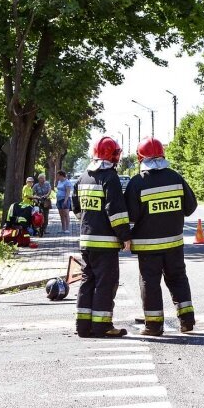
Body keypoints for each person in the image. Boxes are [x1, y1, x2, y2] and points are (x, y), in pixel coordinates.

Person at [124, 138, 198, 336]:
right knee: (178, 279)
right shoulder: (176, 177)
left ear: (141, 158)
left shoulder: (137, 182)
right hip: (174, 243)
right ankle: (187, 321)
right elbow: (190, 208)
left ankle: (154, 326)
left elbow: (130, 216)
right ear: (163, 156)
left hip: (148, 247)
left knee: (150, 283)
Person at [72, 137, 132, 338]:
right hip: (105, 243)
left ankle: (83, 326)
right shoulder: (110, 178)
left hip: (86, 241)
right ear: (113, 155)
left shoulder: (83, 177)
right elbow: (115, 212)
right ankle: (102, 326)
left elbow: (76, 208)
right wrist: (125, 236)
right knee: (105, 284)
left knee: (87, 281)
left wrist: (89, 221)